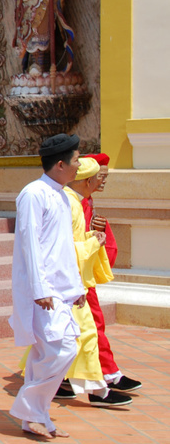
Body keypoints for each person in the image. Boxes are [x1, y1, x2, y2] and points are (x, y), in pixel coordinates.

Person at [8, 133, 86, 438]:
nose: (80, 165)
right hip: (42, 292)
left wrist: (76, 287)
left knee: (53, 350)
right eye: (77, 159)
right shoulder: (34, 194)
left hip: (60, 290)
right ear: (60, 164)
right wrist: (40, 290)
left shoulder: (63, 196)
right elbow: (30, 244)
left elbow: (62, 246)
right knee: (60, 348)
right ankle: (30, 410)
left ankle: (35, 416)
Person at [47, 158, 131, 407]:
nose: (101, 180)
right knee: (86, 335)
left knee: (68, 338)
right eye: (98, 176)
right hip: (72, 282)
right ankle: (96, 391)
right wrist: (95, 241)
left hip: (73, 281)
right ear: (87, 180)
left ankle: (59, 384)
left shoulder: (73, 200)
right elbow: (66, 249)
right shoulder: (70, 204)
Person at [79, 153, 142, 393]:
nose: (103, 181)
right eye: (100, 176)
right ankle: (107, 374)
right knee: (93, 324)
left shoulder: (87, 200)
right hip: (79, 273)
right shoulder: (76, 202)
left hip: (84, 270)